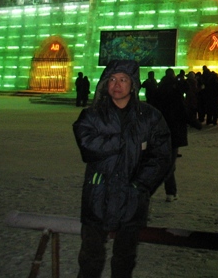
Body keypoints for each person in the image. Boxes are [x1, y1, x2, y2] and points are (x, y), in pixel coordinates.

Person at [72, 59, 172, 278]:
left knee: (125, 259)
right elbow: (87, 145)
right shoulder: (92, 115)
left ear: (133, 84)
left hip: (132, 199)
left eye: (123, 80)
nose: (117, 85)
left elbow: (162, 156)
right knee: (90, 258)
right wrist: (122, 141)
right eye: (112, 79)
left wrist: (141, 184)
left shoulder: (150, 116)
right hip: (97, 196)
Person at [156, 68, 189, 202]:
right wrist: (195, 123)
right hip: (173, 132)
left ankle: (171, 191)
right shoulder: (176, 93)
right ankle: (170, 191)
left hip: (160, 132)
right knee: (169, 164)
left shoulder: (159, 91)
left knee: (168, 163)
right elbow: (183, 112)